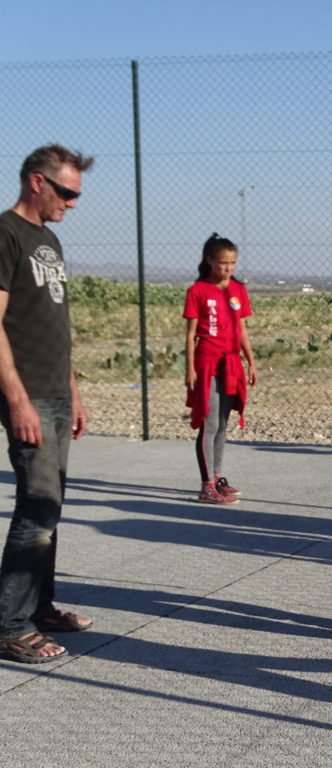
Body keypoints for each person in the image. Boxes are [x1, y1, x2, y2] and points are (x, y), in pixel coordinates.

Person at [0, 144, 94, 664]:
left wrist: (74, 392)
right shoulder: (5, 234)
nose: (73, 203)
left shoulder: (49, 239)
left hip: (56, 392)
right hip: (28, 394)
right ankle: (9, 624)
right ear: (37, 182)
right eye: (67, 192)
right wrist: (17, 400)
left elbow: (57, 327)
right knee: (36, 509)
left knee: (51, 507)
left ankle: (39, 607)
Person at [184, 233, 256, 504]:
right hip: (207, 363)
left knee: (223, 423)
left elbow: (241, 327)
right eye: (223, 262)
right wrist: (189, 369)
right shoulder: (198, 291)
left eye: (233, 263)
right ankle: (206, 487)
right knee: (210, 423)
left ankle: (217, 477)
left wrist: (250, 360)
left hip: (231, 363)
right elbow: (190, 334)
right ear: (210, 261)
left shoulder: (238, 291)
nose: (228, 268)